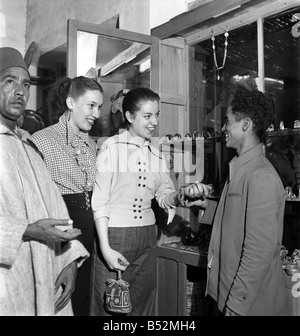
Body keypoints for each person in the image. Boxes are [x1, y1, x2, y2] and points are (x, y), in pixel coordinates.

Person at [90, 87, 209, 316]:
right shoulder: (111, 147)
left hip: (147, 235)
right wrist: (105, 249)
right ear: (129, 117)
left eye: (157, 115)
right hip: (115, 235)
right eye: (147, 116)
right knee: (110, 308)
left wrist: (184, 195)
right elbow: (100, 202)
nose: (154, 122)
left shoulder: (156, 154)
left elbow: (165, 194)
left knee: (142, 307)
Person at [0, 47, 89, 316]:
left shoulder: (28, 145)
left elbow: (56, 211)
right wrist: (28, 230)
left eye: (25, 84)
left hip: (47, 278)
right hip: (9, 284)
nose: (20, 91)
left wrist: (70, 260)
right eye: (9, 81)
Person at [186, 87, 288, 316]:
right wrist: (207, 207)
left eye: (228, 122)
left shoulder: (260, 176)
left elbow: (258, 253)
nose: (223, 128)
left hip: (245, 304)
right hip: (223, 292)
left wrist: (237, 305)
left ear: (246, 125)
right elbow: (238, 218)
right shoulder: (241, 169)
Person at [32, 76, 103, 315]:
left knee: (83, 304)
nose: (97, 113)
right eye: (91, 105)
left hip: (89, 232)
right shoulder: (41, 140)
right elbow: (39, 206)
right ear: (71, 103)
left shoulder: (91, 144)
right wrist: (66, 250)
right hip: (60, 234)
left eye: (99, 107)